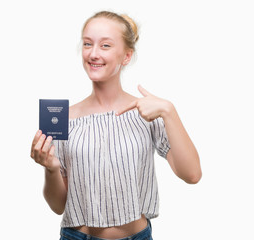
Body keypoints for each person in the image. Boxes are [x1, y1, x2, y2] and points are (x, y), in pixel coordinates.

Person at [30, 10, 202, 240]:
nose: (93, 53)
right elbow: (58, 206)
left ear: (127, 56)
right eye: (88, 44)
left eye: (105, 46)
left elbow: (192, 174)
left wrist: (169, 111)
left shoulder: (148, 112)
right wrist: (50, 168)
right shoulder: (65, 119)